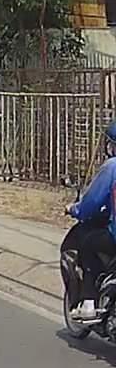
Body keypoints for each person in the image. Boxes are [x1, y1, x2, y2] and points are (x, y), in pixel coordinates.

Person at [64, 121, 116, 321]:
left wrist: (74, 209)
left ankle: (88, 303)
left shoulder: (112, 166)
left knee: (88, 244)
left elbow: (91, 203)